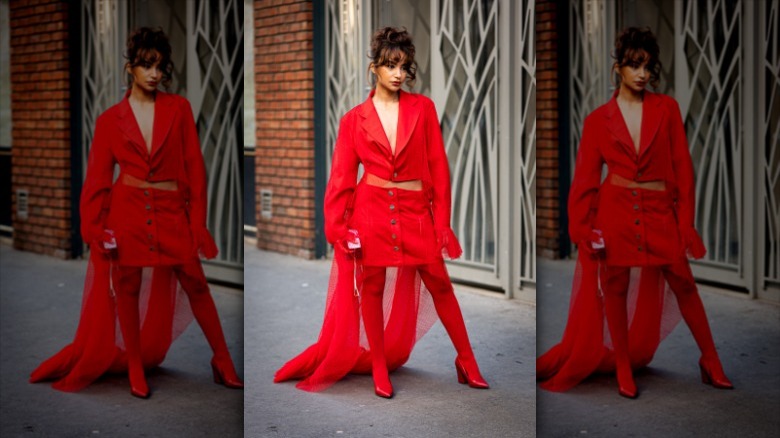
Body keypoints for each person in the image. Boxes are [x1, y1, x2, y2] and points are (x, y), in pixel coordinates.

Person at [273, 27, 488, 398]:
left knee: (440, 282)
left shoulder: (423, 108)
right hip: (370, 211)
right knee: (371, 287)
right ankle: (377, 366)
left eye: (403, 66)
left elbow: (439, 168)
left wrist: (442, 223)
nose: (398, 73)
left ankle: (467, 359)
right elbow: (341, 178)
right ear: (375, 67)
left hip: (417, 210)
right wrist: (337, 228)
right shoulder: (354, 120)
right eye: (390, 65)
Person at [29, 27, 242, 398]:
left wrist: (197, 223)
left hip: (173, 211)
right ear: (131, 68)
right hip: (126, 213)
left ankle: (222, 358)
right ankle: (133, 368)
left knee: (196, 282)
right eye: (146, 65)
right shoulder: (110, 120)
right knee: (126, 286)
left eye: (159, 66)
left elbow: (195, 170)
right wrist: (94, 229)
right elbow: (96, 180)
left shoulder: (179, 109)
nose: (154, 74)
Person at [537, 27, 733, 399]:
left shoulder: (667, 109)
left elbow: (683, 170)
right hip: (616, 213)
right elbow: (585, 181)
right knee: (616, 285)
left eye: (647, 66)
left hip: (661, 212)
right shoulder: (598, 120)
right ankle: (623, 366)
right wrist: (583, 228)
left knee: (684, 282)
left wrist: (685, 223)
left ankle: (711, 360)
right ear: (618, 68)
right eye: (634, 65)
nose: (642, 74)